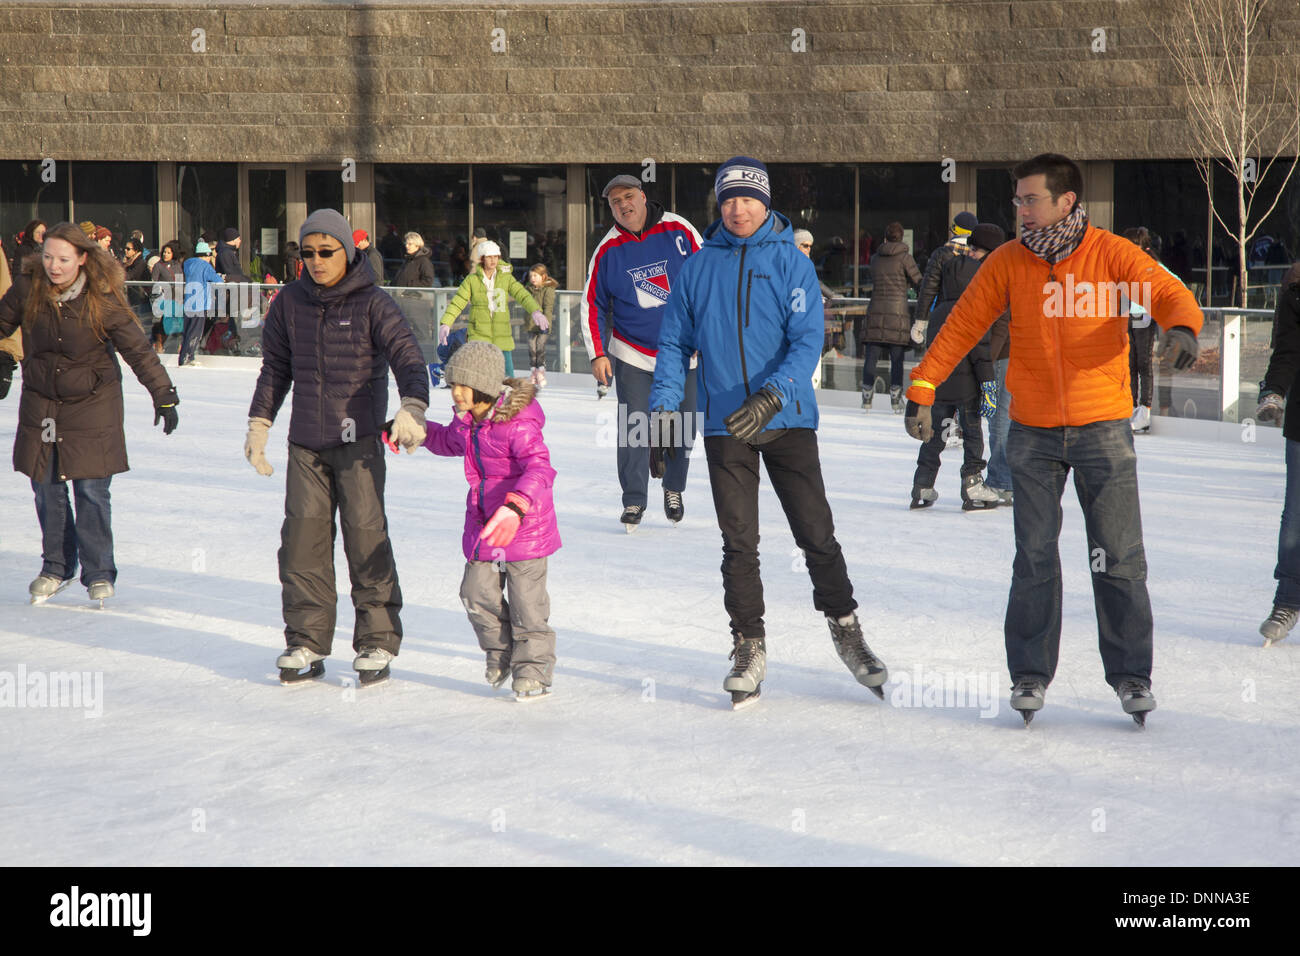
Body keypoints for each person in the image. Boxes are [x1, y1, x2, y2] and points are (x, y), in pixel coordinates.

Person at [902, 153, 1203, 726]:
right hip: (1033, 431)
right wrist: (922, 383)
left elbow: (1163, 288)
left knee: (1118, 557)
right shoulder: (1010, 262)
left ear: (1066, 202)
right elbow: (962, 324)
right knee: (1034, 558)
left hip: (1103, 428)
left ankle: (1131, 674)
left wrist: (1183, 324)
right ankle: (1030, 674)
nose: (1019, 210)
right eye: (1016, 201)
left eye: (1029, 199)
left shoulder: (1111, 252)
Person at [650, 155, 889, 709]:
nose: (738, 209)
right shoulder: (698, 265)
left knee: (816, 534)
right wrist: (663, 412)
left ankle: (846, 627)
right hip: (723, 423)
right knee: (739, 542)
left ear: (766, 202)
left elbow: (807, 340)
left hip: (786, 418)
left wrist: (773, 395)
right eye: (728, 199)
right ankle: (748, 643)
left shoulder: (790, 262)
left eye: (748, 198)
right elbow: (673, 345)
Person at [246, 209, 430, 686]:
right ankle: (306, 639)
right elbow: (274, 369)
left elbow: (409, 357)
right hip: (306, 443)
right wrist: (259, 424)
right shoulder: (290, 303)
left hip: (360, 441)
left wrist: (413, 407)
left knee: (366, 538)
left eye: (326, 251)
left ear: (347, 252)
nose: (316, 261)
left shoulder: (373, 303)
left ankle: (376, 640)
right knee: (302, 543)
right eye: (307, 253)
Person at [0, 222, 179, 605]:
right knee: (46, 487)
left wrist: (163, 393)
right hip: (42, 403)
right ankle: (56, 566)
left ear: (82, 259)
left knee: (91, 490)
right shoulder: (27, 289)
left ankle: (98, 572)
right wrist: (3, 356)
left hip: (93, 404)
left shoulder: (102, 297)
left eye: (63, 259)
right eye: (47, 256)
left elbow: (137, 348)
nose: (54, 266)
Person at [414, 341, 560, 700]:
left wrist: (516, 506)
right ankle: (501, 652)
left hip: (524, 527)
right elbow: (448, 441)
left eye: (463, 385)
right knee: (476, 594)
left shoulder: (518, 423)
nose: (456, 393)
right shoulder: (466, 422)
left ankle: (533, 670)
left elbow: (540, 467)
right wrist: (413, 430)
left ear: (484, 386)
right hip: (485, 528)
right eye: (452, 385)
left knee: (528, 605)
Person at [582, 174, 703, 528]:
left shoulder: (679, 230)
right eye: (615, 202)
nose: (623, 205)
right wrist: (598, 353)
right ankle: (634, 500)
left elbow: (709, 280)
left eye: (628, 197)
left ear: (643, 196)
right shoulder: (607, 249)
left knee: (684, 426)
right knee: (635, 425)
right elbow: (592, 304)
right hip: (633, 352)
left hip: (683, 352)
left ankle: (673, 487)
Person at [908, 223, 1006, 511]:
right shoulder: (974, 309)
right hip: (968, 389)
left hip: (941, 388)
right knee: (973, 435)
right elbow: (981, 350)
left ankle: (922, 484)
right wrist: (988, 383)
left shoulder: (939, 313)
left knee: (935, 436)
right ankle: (973, 485)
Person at [1254, 262, 1300, 645]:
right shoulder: (1297, 286)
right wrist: (1274, 391)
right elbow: (1287, 349)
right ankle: (1287, 601)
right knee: (1296, 517)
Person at [437, 240, 543, 379]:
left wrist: (535, 311)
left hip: (502, 336)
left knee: (507, 380)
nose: (493, 260)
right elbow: (457, 303)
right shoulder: (472, 280)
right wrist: (446, 323)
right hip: (479, 336)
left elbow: (522, 295)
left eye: (495, 256)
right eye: (489, 256)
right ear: (482, 258)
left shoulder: (506, 278)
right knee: (478, 379)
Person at [862, 221, 921, 412]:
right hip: (898, 314)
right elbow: (919, 280)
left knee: (871, 357)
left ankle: (866, 398)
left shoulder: (875, 259)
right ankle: (895, 400)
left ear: (885, 237)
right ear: (901, 237)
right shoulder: (905, 258)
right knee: (896, 359)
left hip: (876, 311)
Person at [1121, 227, 1166, 433]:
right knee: (1129, 363)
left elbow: (1167, 284)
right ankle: (1130, 406)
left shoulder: (1151, 266)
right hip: (1126, 316)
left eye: (1132, 245)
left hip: (1143, 318)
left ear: (1143, 247)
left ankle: (1144, 410)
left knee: (1143, 363)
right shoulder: (1124, 264)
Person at [912, 211, 978, 344]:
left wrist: (920, 321)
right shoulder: (979, 256)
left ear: (954, 231)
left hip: (943, 318)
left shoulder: (941, 254)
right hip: (973, 320)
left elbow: (928, 289)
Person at [179, 240, 220, 367]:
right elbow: (217, 280)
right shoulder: (205, 266)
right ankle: (188, 357)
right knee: (195, 333)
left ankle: (184, 356)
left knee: (187, 331)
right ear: (206, 255)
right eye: (209, 256)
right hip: (200, 304)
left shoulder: (187, 264)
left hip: (188, 303)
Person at [525, 263, 558, 387]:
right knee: (531, 348)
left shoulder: (548, 290)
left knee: (540, 347)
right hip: (531, 324)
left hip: (543, 324)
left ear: (543, 276)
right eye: (531, 276)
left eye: (535, 275)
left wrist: (546, 324)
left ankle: (541, 370)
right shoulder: (528, 289)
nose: (532, 278)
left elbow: (548, 308)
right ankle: (533, 372)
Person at [149, 240, 184, 352]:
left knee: (177, 321)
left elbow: (180, 280)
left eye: (168, 252)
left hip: (176, 298)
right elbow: (153, 282)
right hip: (163, 298)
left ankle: (179, 345)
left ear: (173, 254)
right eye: (164, 252)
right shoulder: (158, 265)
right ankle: (158, 343)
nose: (165, 254)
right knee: (160, 322)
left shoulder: (177, 265)